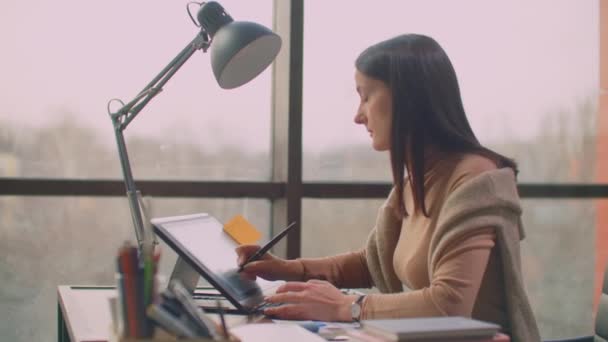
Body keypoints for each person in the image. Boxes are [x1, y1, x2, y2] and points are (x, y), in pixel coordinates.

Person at [236, 34, 540, 342]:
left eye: (366, 96)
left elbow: (449, 304)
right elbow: (373, 261)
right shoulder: (416, 181)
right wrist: (285, 269)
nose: (358, 115)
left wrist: (349, 307)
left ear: (408, 98)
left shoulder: (476, 182)